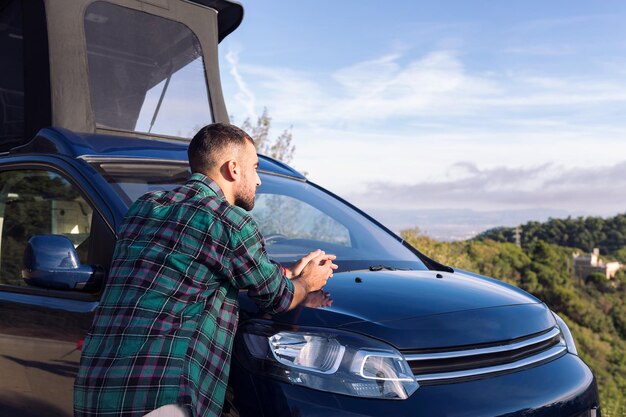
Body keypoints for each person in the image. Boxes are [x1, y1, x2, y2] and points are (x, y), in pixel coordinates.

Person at [74, 123, 337, 417]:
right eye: (255, 167)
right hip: (163, 398)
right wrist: (308, 281)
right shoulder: (229, 221)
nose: (259, 180)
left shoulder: (144, 208)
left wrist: (287, 272)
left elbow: (195, 264)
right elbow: (278, 298)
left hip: (97, 392)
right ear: (234, 169)